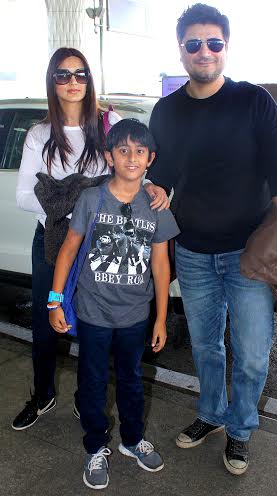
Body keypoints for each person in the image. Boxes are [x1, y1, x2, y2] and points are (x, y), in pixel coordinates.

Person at [146, 3, 277, 476]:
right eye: (194, 44)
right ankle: (211, 414)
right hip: (192, 252)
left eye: (213, 43)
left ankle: (241, 430)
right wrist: (147, 189)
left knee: (251, 352)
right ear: (182, 51)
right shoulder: (166, 111)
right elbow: (162, 176)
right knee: (207, 346)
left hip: (249, 255)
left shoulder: (254, 101)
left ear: (226, 48)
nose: (204, 51)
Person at [13, 47, 167, 432]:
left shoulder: (108, 122)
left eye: (80, 74)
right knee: (49, 321)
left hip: (105, 242)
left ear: (89, 79)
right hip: (53, 240)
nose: (72, 82)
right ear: (52, 81)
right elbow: (22, 196)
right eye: (62, 75)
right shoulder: (39, 134)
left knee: (95, 326)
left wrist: (152, 187)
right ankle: (43, 393)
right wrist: (81, 197)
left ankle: (89, 398)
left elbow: (130, 168)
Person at [48, 119, 179, 490]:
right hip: (93, 314)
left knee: (132, 381)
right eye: (123, 150)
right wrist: (54, 301)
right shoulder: (91, 199)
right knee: (91, 382)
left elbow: (160, 264)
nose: (131, 157)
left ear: (150, 159)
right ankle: (94, 446)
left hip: (136, 316)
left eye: (139, 151)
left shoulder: (156, 204)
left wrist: (161, 319)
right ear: (109, 157)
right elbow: (69, 250)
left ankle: (132, 440)